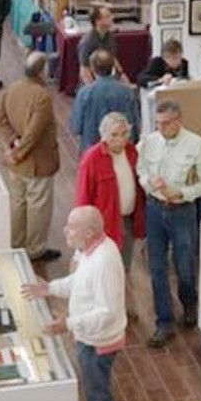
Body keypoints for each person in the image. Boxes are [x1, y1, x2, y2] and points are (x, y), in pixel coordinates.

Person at [23, 207, 128, 401]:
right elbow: (79, 283)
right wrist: (50, 289)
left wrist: (68, 324)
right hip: (88, 337)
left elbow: (107, 312)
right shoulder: (89, 251)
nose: (65, 231)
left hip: (98, 343)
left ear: (90, 232)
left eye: (71, 227)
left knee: (97, 398)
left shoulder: (104, 261)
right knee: (93, 394)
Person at [137, 99, 201, 347]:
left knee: (184, 265)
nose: (160, 129)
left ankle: (189, 304)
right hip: (154, 209)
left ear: (178, 121)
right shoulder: (149, 142)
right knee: (157, 267)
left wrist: (181, 193)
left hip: (182, 211)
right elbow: (141, 171)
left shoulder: (197, 145)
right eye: (157, 123)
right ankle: (164, 322)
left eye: (166, 124)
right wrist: (150, 183)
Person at [76, 111, 145, 319]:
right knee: (103, 270)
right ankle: (102, 309)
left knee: (122, 267)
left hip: (129, 220)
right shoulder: (92, 158)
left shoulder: (133, 153)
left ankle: (119, 307)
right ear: (103, 135)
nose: (120, 139)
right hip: (104, 226)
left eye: (124, 134)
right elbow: (83, 197)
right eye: (114, 134)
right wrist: (83, 232)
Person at [0, 52, 61, 262]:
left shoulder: (12, 88)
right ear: (42, 71)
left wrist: (12, 142)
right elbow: (34, 132)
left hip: (16, 163)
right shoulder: (41, 95)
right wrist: (18, 152)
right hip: (36, 161)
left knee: (18, 203)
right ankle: (35, 249)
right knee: (38, 205)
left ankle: (17, 243)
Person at [71, 49, 139, 152]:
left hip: (93, 150)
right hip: (122, 148)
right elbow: (135, 124)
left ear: (92, 68)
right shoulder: (127, 92)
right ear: (113, 67)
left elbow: (76, 126)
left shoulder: (84, 93)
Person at [78, 5, 123, 85]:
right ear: (98, 21)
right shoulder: (87, 41)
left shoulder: (110, 36)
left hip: (109, 81)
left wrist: (127, 83)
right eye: (108, 16)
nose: (112, 17)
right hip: (93, 83)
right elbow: (84, 71)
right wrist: (94, 92)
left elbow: (114, 61)